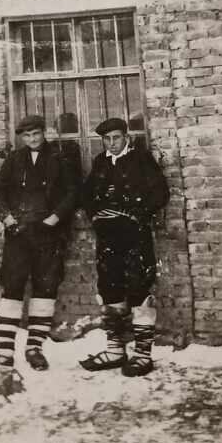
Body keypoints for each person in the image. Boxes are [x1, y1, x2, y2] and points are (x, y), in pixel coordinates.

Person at [0, 114, 78, 390]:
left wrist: (55, 218)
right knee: (13, 286)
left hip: (48, 233)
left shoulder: (60, 158)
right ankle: (4, 351)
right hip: (19, 233)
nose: (32, 140)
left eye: (36, 134)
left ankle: (34, 348)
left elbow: (74, 193)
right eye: (26, 136)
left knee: (45, 287)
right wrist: (8, 219)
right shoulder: (15, 159)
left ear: (44, 132)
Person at [80, 118, 169, 377]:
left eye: (116, 138)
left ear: (126, 137)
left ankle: (142, 355)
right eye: (106, 139)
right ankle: (115, 350)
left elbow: (160, 193)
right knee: (110, 288)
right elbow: (86, 195)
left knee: (139, 287)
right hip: (108, 237)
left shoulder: (141, 159)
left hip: (135, 236)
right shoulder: (100, 162)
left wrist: (136, 213)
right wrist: (95, 215)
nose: (112, 143)